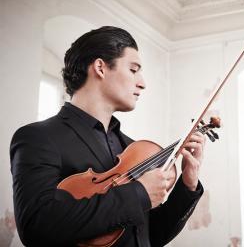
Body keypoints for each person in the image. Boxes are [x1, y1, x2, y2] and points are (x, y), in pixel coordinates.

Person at [10, 26, 205, 246]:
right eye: (133, 70)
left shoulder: (132, 148)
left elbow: (149, 236)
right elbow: (36, 227)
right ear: (100, 67)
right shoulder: (38, 138)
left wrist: (187, 186)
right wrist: (139, 193)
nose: (142, 83)